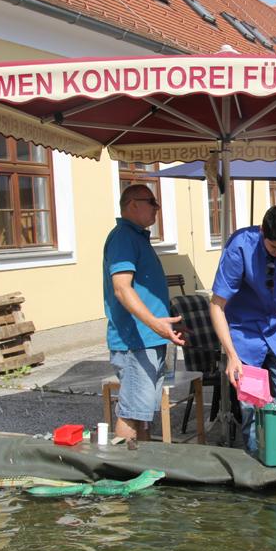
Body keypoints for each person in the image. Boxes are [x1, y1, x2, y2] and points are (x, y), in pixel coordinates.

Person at [209, 205, 276, 458]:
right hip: (245, 338)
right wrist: (232, 355)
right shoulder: (239, 246)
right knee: (252, 411)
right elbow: (216, 305)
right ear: (261, 232)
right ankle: (257, 476)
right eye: (274, 248)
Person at [103, 184, 185, 442]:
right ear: (132, 205)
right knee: (131, 412)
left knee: (143, 414)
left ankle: (143, 468)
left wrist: (165, 323)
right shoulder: (123, 237)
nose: (157, 209)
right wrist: (154, 324)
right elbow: (121, 289)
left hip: (149, 338)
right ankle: (122, 472)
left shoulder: (137, 237)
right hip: (136, 342)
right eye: (152, 202)